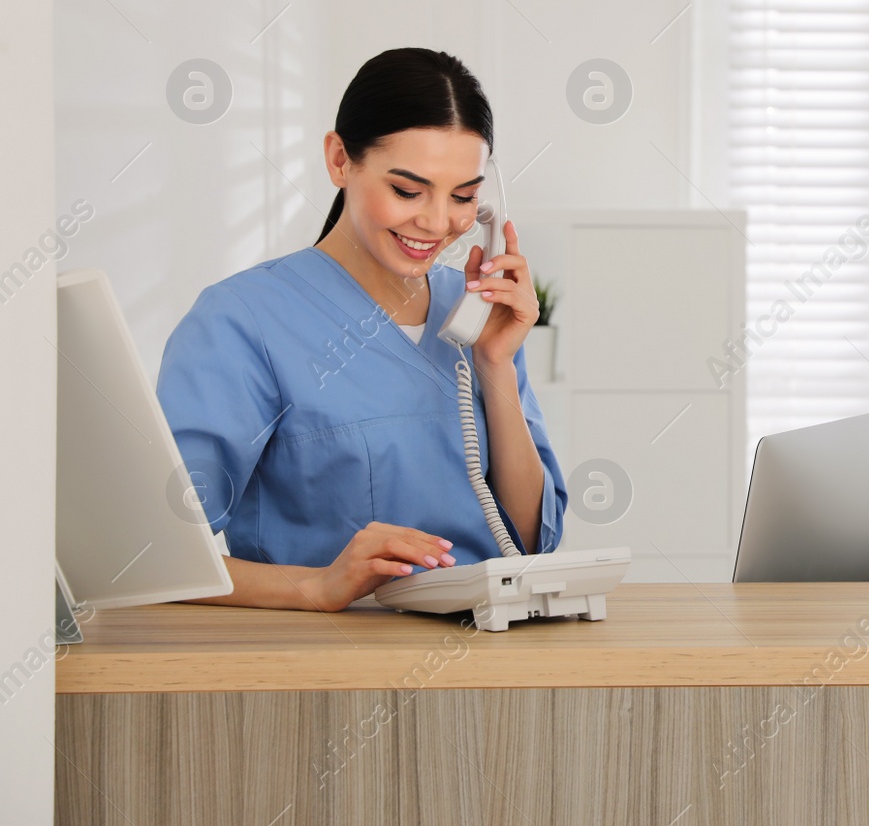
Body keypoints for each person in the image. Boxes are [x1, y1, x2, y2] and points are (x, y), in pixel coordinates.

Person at [156, 48, 567, 612]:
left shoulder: (477, 315)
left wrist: (495, 362)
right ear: (339, 160)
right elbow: (159, 555)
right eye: (407, 190)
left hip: (492, 657)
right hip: (331, 671)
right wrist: (319, 587)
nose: (437, 222)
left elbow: (528, 540)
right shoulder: (241, 320)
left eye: (465, 197)